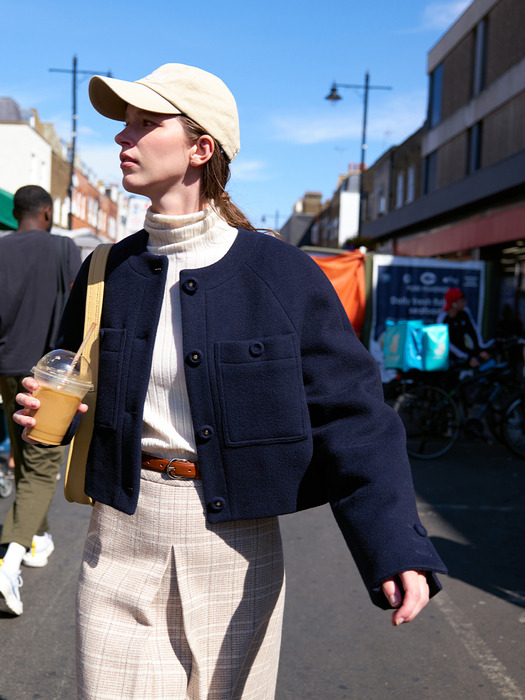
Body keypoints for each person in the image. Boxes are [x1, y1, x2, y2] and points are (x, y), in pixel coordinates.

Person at [14, 64, 446, 699]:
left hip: (233, 549)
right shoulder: (107, 268)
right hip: (120, 540)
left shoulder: (281, 274)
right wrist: (56, 415)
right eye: (123, 124)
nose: (122, 138)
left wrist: (396, 546)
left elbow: (352, 414)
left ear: (200, 148)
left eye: (143, 123)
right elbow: (75, 375)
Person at [0, 185, 81, 615]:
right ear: (47, 213)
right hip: (48, 377)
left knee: (22, 454)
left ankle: (38, 536)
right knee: (42, 465)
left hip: (6, 368)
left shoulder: (2, 249)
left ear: (16, 214)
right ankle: (7, 559)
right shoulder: (63, 248)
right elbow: (79, 306)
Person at [436, 287, 491, 368]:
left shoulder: (465, 313)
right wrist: (467, 359)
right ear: (454, 303)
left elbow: (474, 333)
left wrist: (481, 351)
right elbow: (447, 345)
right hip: (451, 361)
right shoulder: (442, 320)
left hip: (466, 356)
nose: (465, 303)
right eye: (462, 301)